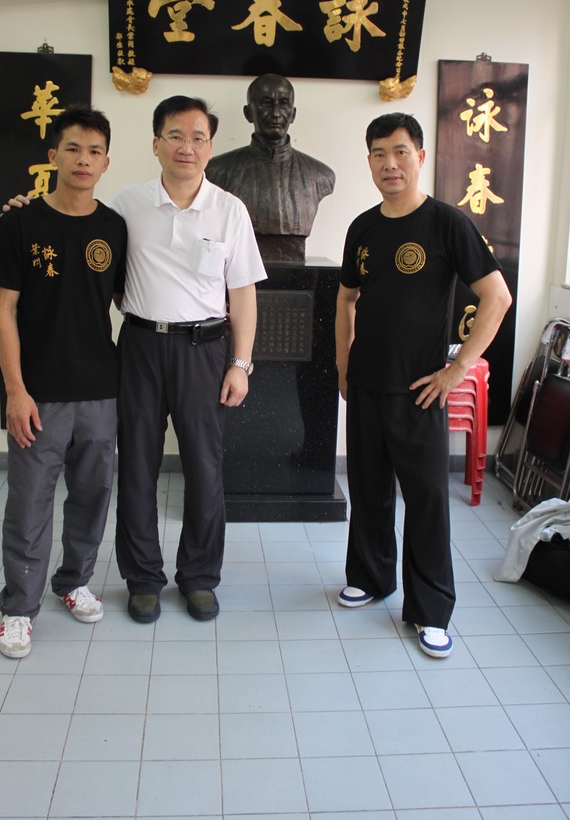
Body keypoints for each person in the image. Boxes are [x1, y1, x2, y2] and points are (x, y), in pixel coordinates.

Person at [335, 112, 511, 658]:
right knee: (367, 488)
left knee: (428, 500)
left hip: (421, 389)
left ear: (420, 157)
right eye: (379, 154)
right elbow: (346, 298)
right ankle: (370, 576)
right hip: (366, 384)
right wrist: (343, 363)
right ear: (368, 162)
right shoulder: (362, 227)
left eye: (400, 152)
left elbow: (497, 297)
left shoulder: (447, 223)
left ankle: (430, 610)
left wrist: (457, 370)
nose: (390, 163)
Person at [110, 95, 267, 624]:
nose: (187, 147)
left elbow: (242, 293)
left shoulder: (229, 209)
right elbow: (100, 267)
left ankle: (199, 577)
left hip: (204, 351)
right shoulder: (126, 205)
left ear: (210, 147)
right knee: (137, 466)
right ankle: (142, 578)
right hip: (140, 347)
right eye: (175, 136)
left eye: (198, 137)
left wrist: (240, 364)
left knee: (204, 467)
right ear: (156, 144)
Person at [0, 105, 127, 659]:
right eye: (73, 149)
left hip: (100, 390)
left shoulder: (114, 228)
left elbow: (125, 299)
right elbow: (4, 311)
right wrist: (15, 390)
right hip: (38, 393)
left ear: (106, 162)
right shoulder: (20, 223)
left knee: (92, 496)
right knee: (29, 506)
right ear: (53, 156)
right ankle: (18, 609)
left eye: (94, 151)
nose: (83, 160)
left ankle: (74, 581)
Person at [207, 74, 335, 261]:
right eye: (266, 103)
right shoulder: (217, 171)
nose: (276, 113)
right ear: (248, 113)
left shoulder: (320, 175)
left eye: (283, 104)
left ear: (293, 114)